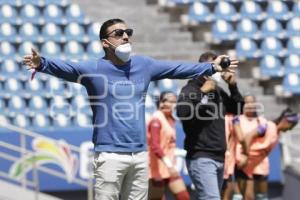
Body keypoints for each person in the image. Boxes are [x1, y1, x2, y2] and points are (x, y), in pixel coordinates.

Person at [22, 19, 238, 200]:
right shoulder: (93, 68)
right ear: (105, 42)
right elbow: (65, 68)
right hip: (109, 154)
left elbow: (178, 69)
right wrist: (41, 63)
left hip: (139, 155)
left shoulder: (144, 65)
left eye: (128, 32)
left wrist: (212, 67)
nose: (126, 36)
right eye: (119, 33)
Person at [176, 52, 243, 200]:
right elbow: (182, 112)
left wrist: (233, 86)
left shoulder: (218, 91)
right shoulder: (191, 88)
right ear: (204, 67)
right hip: (201, 156)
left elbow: (239, 109)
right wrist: (202, 92)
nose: (221, 69)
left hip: (219, 157)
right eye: (216, 64)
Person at [233, 107, 299, 200]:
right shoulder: (266, 126)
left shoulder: (277, 133)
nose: (291, 129)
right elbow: (248, 137)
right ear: (285, 120)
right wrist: (245, 156)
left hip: (250, 167)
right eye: (292, 125)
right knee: (246, 197)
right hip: (243, 163)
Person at [147, 91, 190, 200]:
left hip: (168, 168)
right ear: (161, 103)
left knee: (183, 196)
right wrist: (169, 165)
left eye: (174, 102)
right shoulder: (156, 119)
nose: (171, 104)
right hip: (156, 168)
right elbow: (155, 146)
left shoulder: (170, 119)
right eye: (168, 101)